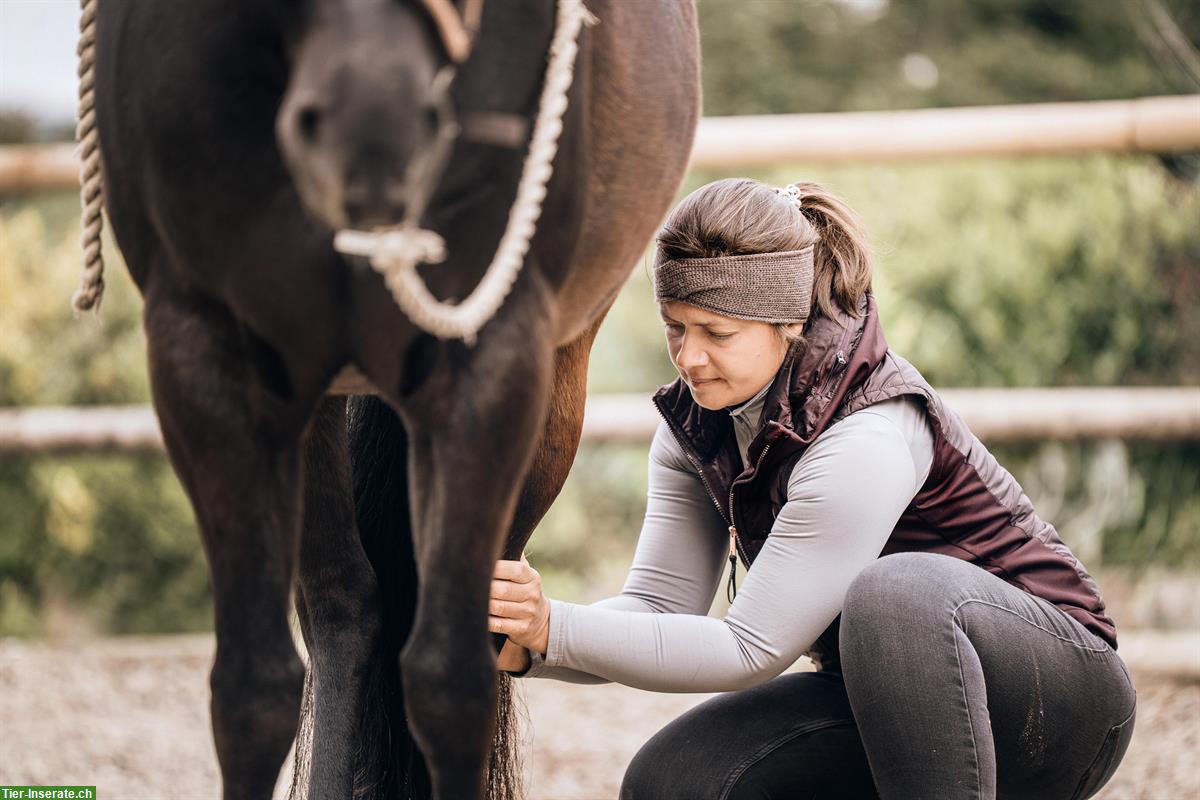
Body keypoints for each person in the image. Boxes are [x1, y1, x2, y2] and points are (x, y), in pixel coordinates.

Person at [487, 178, 1136, 799]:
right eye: (676, 327)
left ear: (787, 322)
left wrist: (556, 624)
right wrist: (527, 638)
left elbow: (748, 649)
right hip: (895, 711)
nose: (688, 358)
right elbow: (658, 610)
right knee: (675, 780)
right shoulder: (699, 426)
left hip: (1063, 707)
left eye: (718, 334)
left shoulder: (866, 435)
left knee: (895, 593)